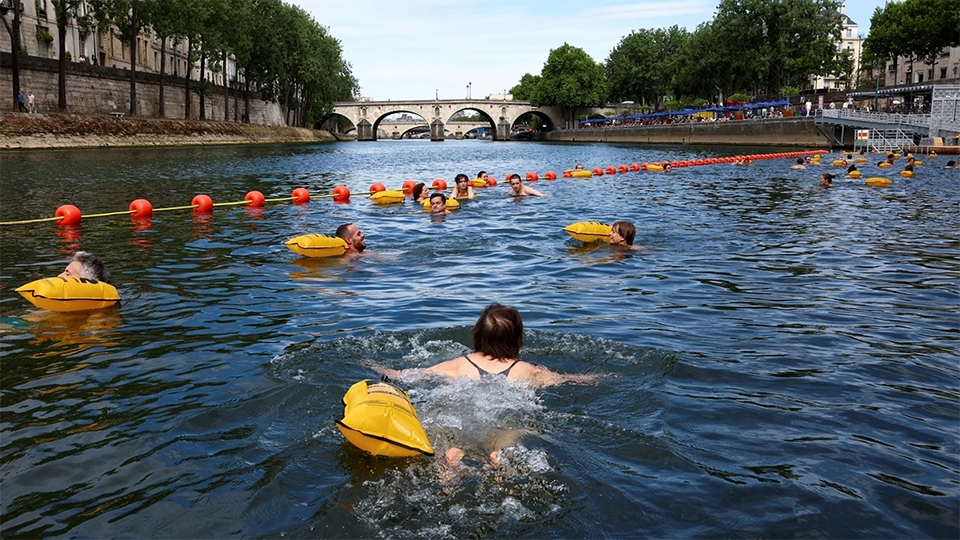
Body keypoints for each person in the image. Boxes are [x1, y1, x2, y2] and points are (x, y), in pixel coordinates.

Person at [382, 303, 593, 387]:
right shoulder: (528, 370)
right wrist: (595, 379)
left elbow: (412, 374)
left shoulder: (459, 364)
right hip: (505, 409)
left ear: (478, 334)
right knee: (507, 437)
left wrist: (378, 369)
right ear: (518, 339)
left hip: (465, 408)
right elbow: (568, 380)